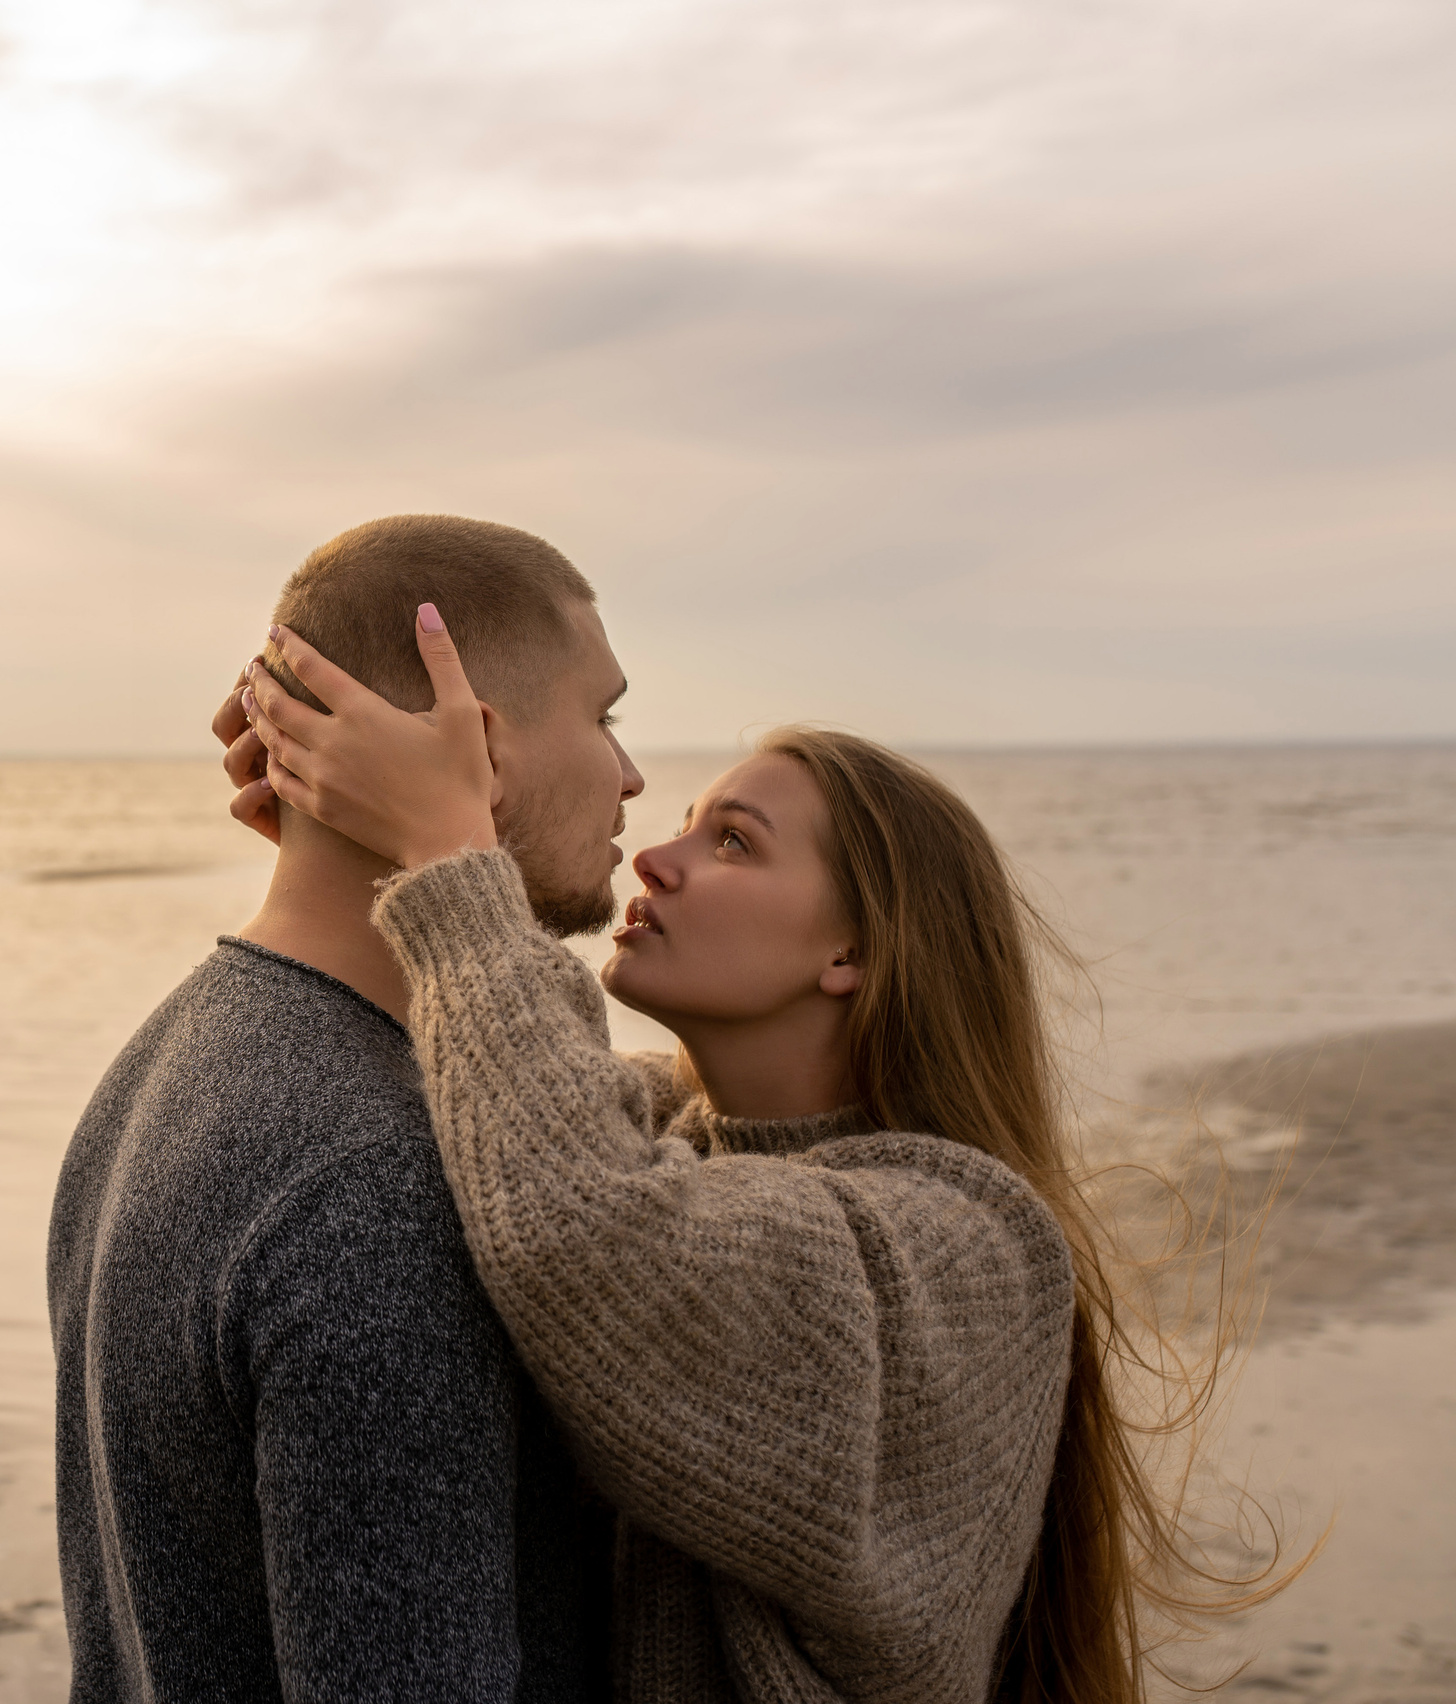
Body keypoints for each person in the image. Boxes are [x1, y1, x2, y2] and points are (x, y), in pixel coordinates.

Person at [222, 610, 1269, 1703]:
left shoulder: (967, 1253)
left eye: (732, 842)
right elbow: (514, 1095)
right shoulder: (669, 1134)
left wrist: (443, 851)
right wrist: (341, 845)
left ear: (853, 951)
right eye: (681, 824)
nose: (655, 861)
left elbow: (594, 1237)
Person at [48, 515, 642, 1701]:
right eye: (606, 716)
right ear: (478, 746)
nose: (630, 775)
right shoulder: (383, 1181)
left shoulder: (158, 1066)